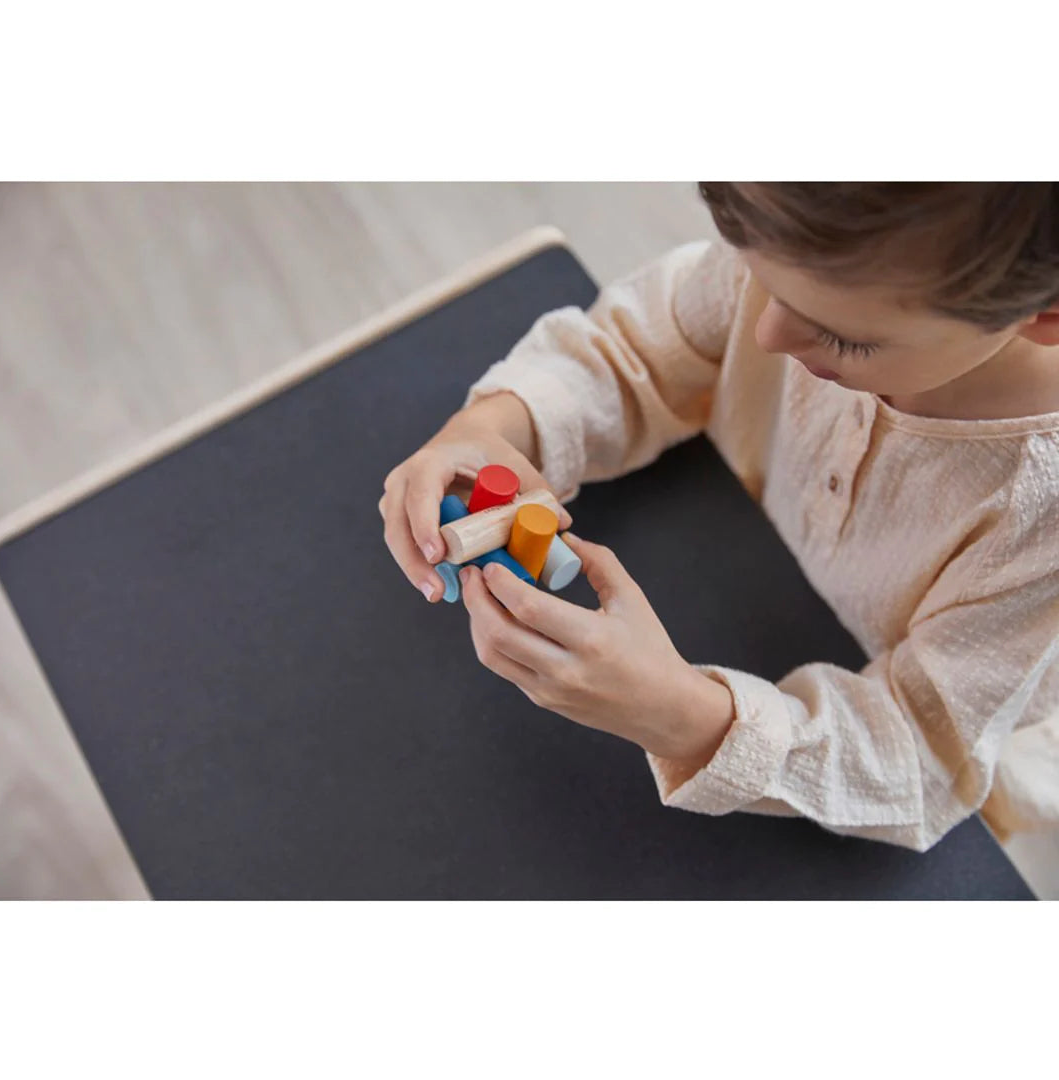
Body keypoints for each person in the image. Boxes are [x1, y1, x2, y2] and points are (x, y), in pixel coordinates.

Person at [379, 183, 1059, 851]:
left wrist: (685, 718)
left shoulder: (1038, 518)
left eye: (844, 339)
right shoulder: (818, 261)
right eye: (753, 263)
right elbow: (636, 350)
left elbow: (922, 755)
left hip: (950, 742)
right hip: (734, 557)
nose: (767, 331)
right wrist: (495, 426)